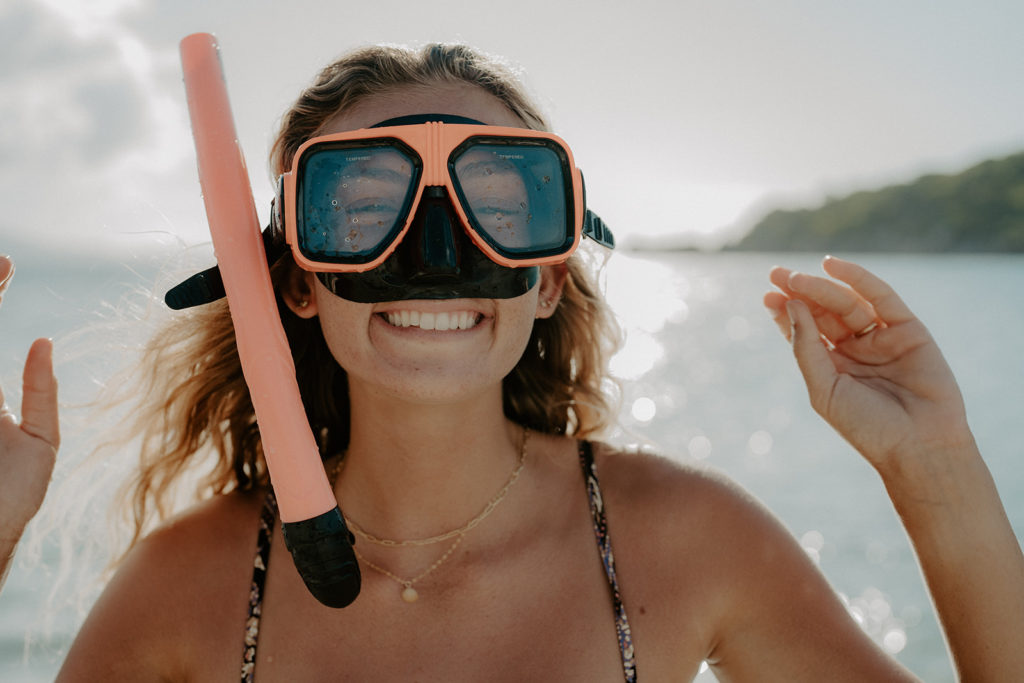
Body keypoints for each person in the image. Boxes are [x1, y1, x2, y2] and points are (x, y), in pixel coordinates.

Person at [3, 43, 1021, 681]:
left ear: (546, 277)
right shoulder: (193, 583)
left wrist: (934, 469)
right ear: (295, 280)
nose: (435, 252)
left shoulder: (682, 541)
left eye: (498, 206)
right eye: (364, 207)